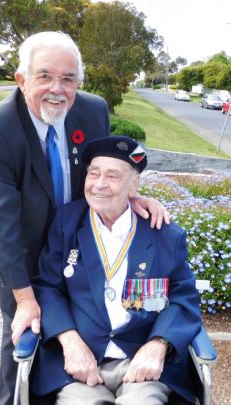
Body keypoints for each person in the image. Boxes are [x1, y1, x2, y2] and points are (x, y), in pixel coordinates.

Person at [0, 31, 169, 405]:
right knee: (23, 334)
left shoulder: (93, 110)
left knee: (76, 315)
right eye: (44, 76)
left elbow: (105, 170)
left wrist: (132, 195)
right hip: (19, 251)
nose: (57, 89)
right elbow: (0, 225)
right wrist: (25, 297)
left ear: (79, 81)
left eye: (68, 78)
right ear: (21, 79)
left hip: (73, 241)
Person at [32, 136, 202, 404]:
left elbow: (183, 296)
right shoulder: (67, 222)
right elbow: (48, 286)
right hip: (79, 362)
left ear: (134, 185)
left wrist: (159, 344)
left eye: (113, 176)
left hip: (140, 363)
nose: (99, 184)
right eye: (93, 173)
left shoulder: (164, 235)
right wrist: (69, 341)